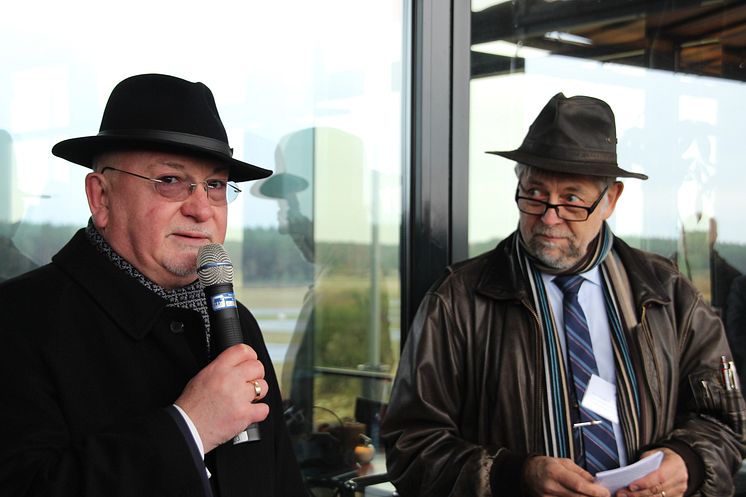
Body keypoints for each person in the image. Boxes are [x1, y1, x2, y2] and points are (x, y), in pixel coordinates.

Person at [381, 93, 746, 497]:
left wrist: (688, 463)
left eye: (572, 199)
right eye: (535, 194)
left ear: (610, 200)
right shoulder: (457, 300)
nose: (549, 217)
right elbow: (409, 447)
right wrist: (514, 476)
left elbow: (725, 423)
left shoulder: (668, 293)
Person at [0, 74, 307, 497]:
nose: (202, 208)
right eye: (170, 180)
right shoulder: (17, 322)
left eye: (215, 185)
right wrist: (189, 427)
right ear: (101, 197)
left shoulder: (236, 326)